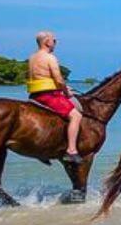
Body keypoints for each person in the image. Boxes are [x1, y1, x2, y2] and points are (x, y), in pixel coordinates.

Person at [27, 31, 83, 163]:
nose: (55, 43)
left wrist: (60, 88)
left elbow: (41, 78)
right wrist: (66, 91)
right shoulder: (50, 58)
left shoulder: (32, 57)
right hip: (49, 95)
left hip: (34, 96)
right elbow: (58, 79)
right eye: (54, 40)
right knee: (76, 115)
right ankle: (71, 150)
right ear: (47, 42)